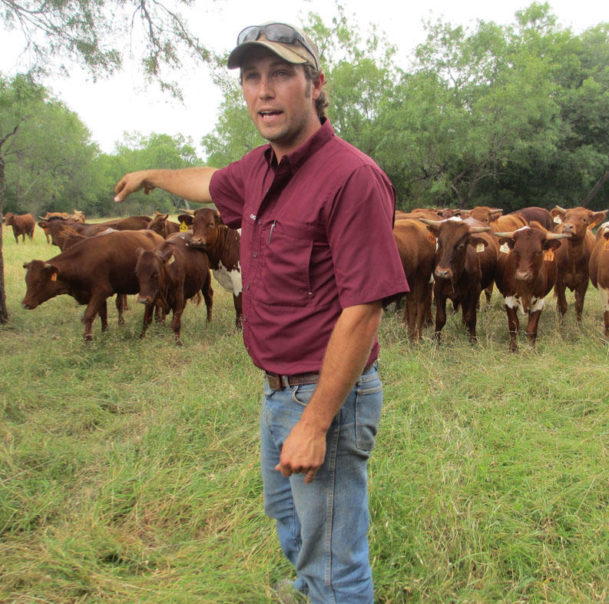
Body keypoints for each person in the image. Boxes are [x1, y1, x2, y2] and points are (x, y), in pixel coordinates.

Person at [114, 22, 408, 603]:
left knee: (335, 564)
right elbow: (206, 181)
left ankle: (320, 590)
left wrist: (317, 422)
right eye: (252, 77)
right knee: (290, 520)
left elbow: (364, 310)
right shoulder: (258, 168)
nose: (264, 90)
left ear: (316, 85)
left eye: (281, 74)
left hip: (326, 394)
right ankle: (303, 589)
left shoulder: (352, 177)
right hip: (277, 390)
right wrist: (153, 174)